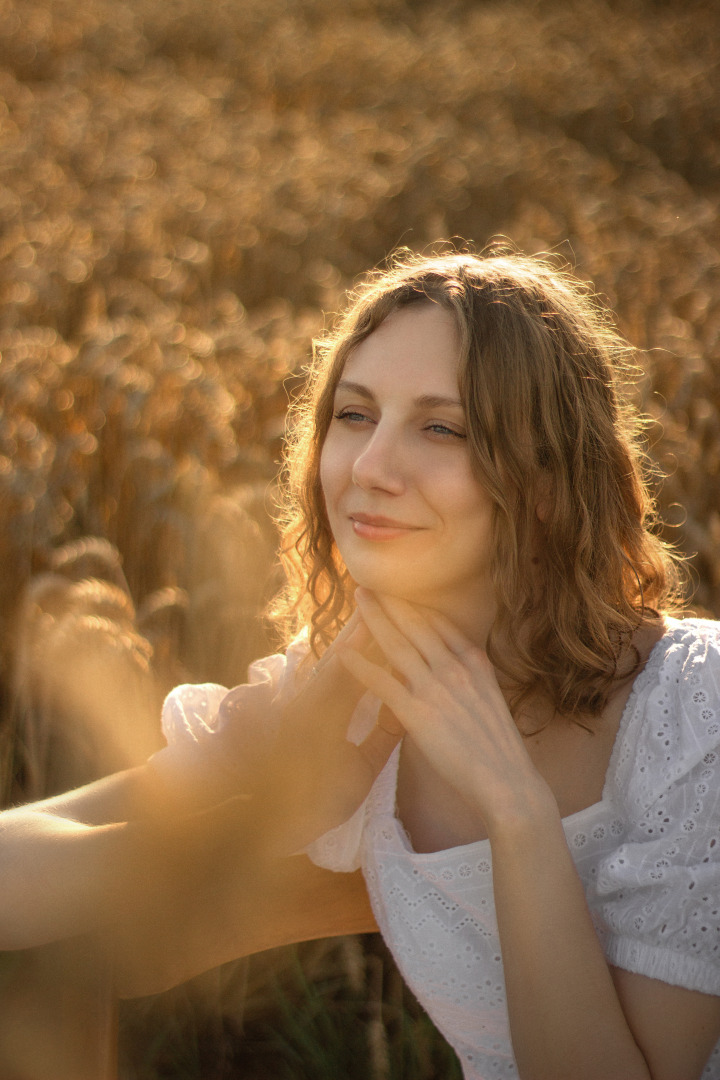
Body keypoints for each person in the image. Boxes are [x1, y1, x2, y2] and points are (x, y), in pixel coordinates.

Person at [2, 248, 720, 1080]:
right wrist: (267, 812)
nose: (371, 469)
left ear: (550, 480)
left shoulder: (691, 706)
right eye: (354, 415)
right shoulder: (338, 697)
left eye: (441, 427)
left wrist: (515, 812)